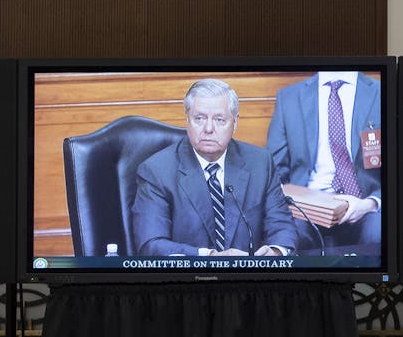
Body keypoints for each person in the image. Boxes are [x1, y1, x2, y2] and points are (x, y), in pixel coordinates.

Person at [132, 78, 298, 257]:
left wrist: (276, 252)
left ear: (235, 123)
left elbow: (283, 227)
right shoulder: (156, 171)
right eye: (199, 118)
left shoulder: (260, 163)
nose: (208, 128)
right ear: (187, 120)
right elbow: (151, 244)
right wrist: (210, 258)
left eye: (219, 119)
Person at [265, 70, 382, 250]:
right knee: (289, 235)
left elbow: (399, 168)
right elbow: (274, 171)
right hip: (307, 207)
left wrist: (371, 203)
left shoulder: (380, 92)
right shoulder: (289, 98)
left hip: (365, 203)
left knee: (378, 234)